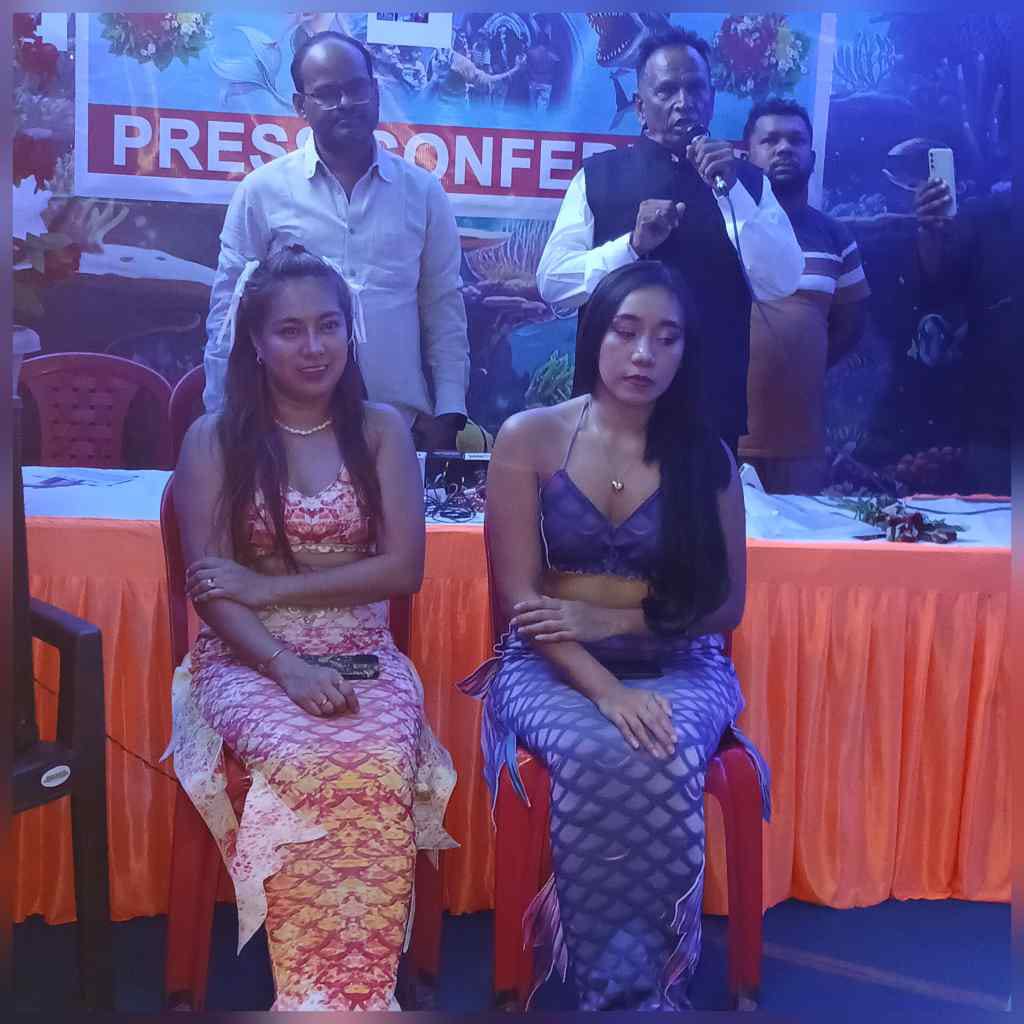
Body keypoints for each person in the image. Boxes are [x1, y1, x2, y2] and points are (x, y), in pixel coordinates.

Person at [459, 261, 770, 1010]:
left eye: (667, 338)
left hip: (681, 660)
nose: (643, 355)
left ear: (687, 351)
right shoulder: (530, 438)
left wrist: (619, 621)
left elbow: (725, 606)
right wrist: (603, 688)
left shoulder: (706, 457)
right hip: (548, 659)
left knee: (661, 743)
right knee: (603, 745)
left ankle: (645, 988)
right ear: (595, 334)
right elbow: (521, 601)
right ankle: (616, 985)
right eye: (626, 332)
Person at [168, 245, 457, 1010]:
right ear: (256, 342)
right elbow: (212, 592)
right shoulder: (214, 440)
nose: (314, 346)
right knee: (306, 755)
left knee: (373, 758)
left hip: (364, 652)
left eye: (329, 325)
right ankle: (312, 998)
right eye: (290, 330)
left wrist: (269, 584)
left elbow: (403, 570)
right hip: (245, 657)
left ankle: (360, 995)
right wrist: (284, 665)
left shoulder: (382, 430)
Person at [536, 26, 803, 457]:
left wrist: (733, 191)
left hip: (710, 413)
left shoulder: (748, 183)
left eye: (696, 88)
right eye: (667, 90)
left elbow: (782, 282)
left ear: (712, 97)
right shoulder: (599, 177)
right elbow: (553, 285)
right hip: (610, 416)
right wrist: (631, 247)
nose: (684, 102)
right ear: (640, 106)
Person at [203, 31, 470, 452]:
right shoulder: (262, 192)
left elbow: (443, 308)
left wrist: (450, 412)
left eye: (356, 88)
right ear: (300, 106)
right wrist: (223, 416)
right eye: (326, 94)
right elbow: (228, 316)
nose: (345, 103)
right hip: (285, 432)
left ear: (375, 92)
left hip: (398, 428)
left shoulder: (422, 193)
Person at [739, 98, 872, 494]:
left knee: (800, 535)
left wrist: (803, 358)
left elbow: (850, 325)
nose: (784, 148)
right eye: (770, 140)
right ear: (747, 155)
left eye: (796, 140)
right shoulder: (725, 227)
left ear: (811, 157)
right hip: (723, 440)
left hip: (800, 446)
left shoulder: (835, 236)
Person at [912, 175, 1011, 495]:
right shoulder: (988, 214)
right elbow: (939, 283)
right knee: (991, 507)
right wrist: (930, 230)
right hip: (996, 409)